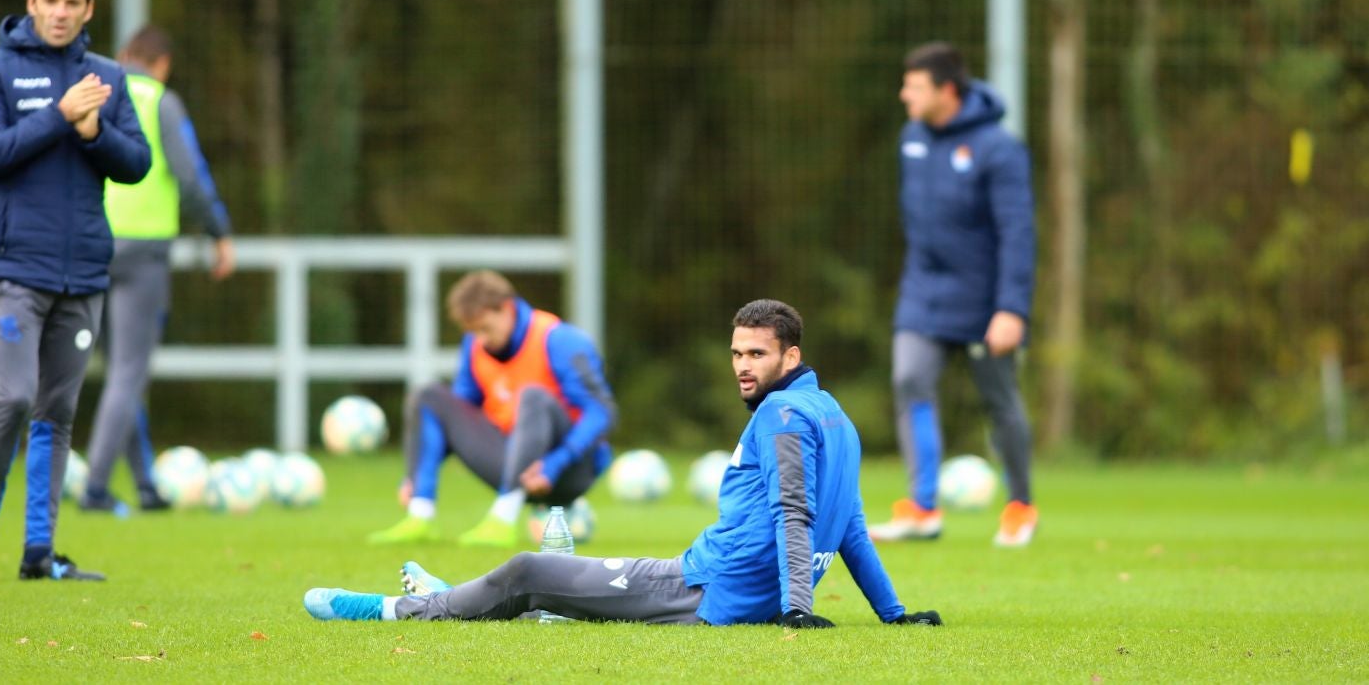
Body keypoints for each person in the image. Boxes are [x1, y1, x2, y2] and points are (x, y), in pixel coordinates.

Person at [304, 299, 943, 628]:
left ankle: (394, 610)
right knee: (554, 587)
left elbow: (796, 513)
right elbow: (851, 525)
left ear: (791, 355)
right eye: (736, 352)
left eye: (756, 354)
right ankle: (456, 597)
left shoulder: (780, 418)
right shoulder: (838, 417)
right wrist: (893, 614)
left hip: (697, 591)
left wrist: (798, 610)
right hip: (714, 584)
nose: (742, 365)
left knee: (531, 567)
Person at [0, 0, 152, 581]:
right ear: (31, 2)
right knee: (12, 396)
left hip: (83, 273)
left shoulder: (107, 78)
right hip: (13, 269)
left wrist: (94, 131)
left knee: (57, 413)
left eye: (74, 3)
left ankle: (39, 552)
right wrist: (59, 117)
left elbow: (137, 164)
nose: (61, 12)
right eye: (51, 1)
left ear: (89, 8)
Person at [868, 41, 1039, 548]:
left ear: (946, 90)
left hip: (986, 299)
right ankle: (922, 509)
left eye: (913, 86)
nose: (904, 95)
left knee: (999, 399)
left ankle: (1020, 507)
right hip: (923, 291)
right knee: (909, 380)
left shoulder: (998, 149)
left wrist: (1011, 308)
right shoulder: (911, 140)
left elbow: (1017, 233)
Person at [78, 24, 236, 514]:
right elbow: (189, 176)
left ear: (125, 55)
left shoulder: (94, 91)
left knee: (116, 371)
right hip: (143, 250)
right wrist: (218, 231)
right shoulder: (161, 101)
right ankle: (96, 489)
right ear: (163, 64)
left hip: (90, 243)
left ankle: (145, 484)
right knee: (129, 372)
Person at [367, 270, 616, 548]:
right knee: (428, 396)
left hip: (569, 471)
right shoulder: (474, 345)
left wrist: (555, 462)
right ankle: (419, 513)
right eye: (473, 331)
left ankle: (502, 519)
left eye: (485, 328)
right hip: (510, 459)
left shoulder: (560, 339)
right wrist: (416, 474)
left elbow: (601, 411)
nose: (481, 339)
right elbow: (461, 413)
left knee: (533, 397)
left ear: (507, 308)